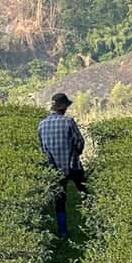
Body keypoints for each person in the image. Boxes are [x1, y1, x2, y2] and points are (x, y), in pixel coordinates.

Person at [39, 93, 86, 240]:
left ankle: (63, 233)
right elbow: (80, 142)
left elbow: (42, 148)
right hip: (72, 166)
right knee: (85, 194)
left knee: (59, 202)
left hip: (54, 168)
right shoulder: (69, 122)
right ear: (64, 108)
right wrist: (76, 154)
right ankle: (93, 224)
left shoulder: (41, 124)